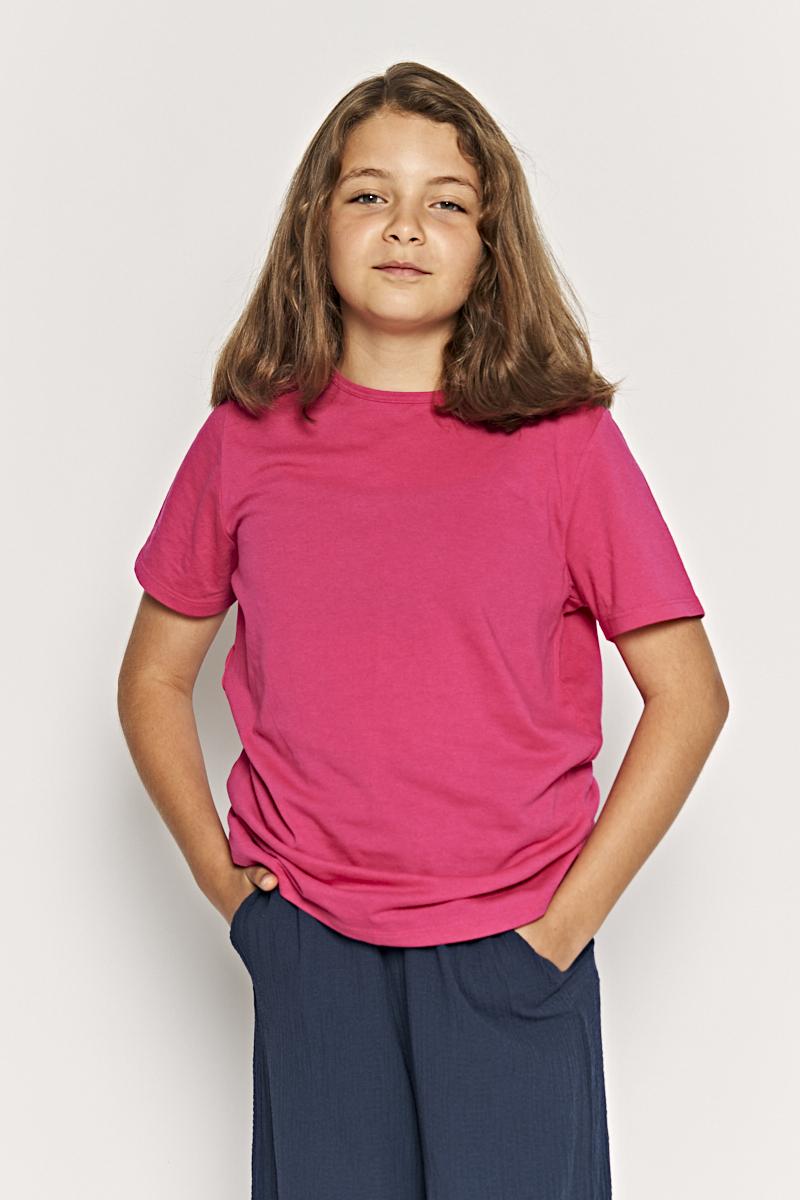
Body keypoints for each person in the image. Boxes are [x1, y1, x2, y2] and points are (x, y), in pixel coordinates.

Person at [118, 62, 728, 1200]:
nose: (404, 226)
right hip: (312, 947)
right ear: (317, 222)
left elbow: (689, 695)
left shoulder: (565, 445)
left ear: (490, 245)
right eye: (369, 194)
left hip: (511, 948)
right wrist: (226, 887)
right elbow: (155, 675)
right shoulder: (245, 443)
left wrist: (561, 929)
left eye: (445, 201)